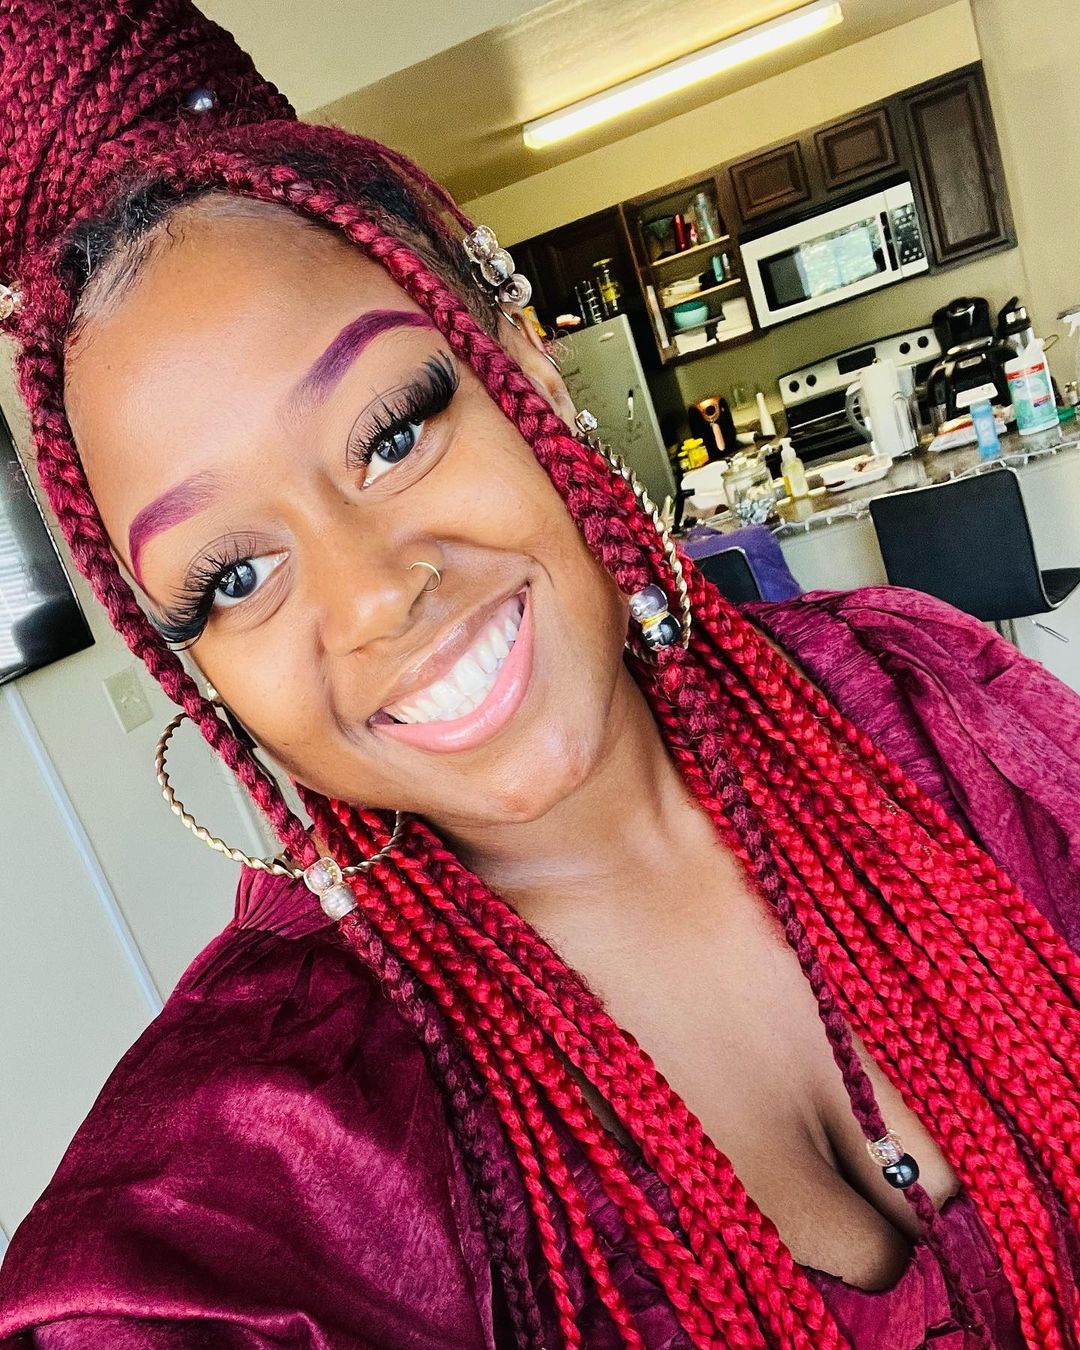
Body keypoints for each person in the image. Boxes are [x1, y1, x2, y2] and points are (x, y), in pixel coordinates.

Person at [0, 3, 1077, 1346]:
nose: (374, 592)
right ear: (195, 672)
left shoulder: (914, 693)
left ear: (525, 368)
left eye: (394, 432)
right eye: (231, 577)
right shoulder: (268, 1151)